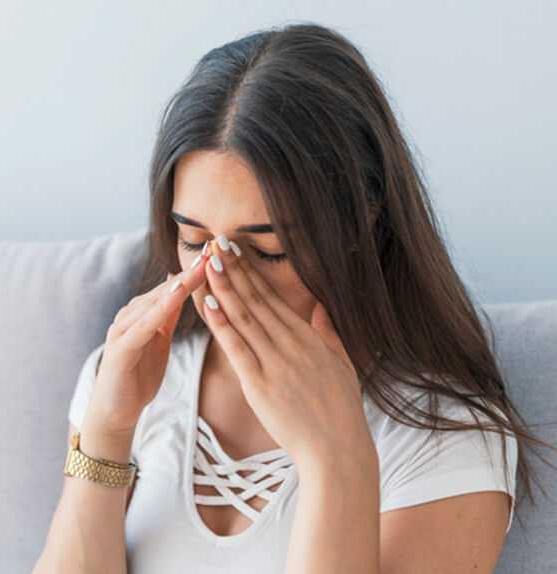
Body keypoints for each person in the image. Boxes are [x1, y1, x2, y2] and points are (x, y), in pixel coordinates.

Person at [34, 21, 547, 574]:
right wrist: (106, 433)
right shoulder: (131, 381)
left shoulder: (444, 436)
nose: (221, 277)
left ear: (361, 222)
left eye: (270, 249)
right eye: (194, 240)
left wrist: (336, 459)